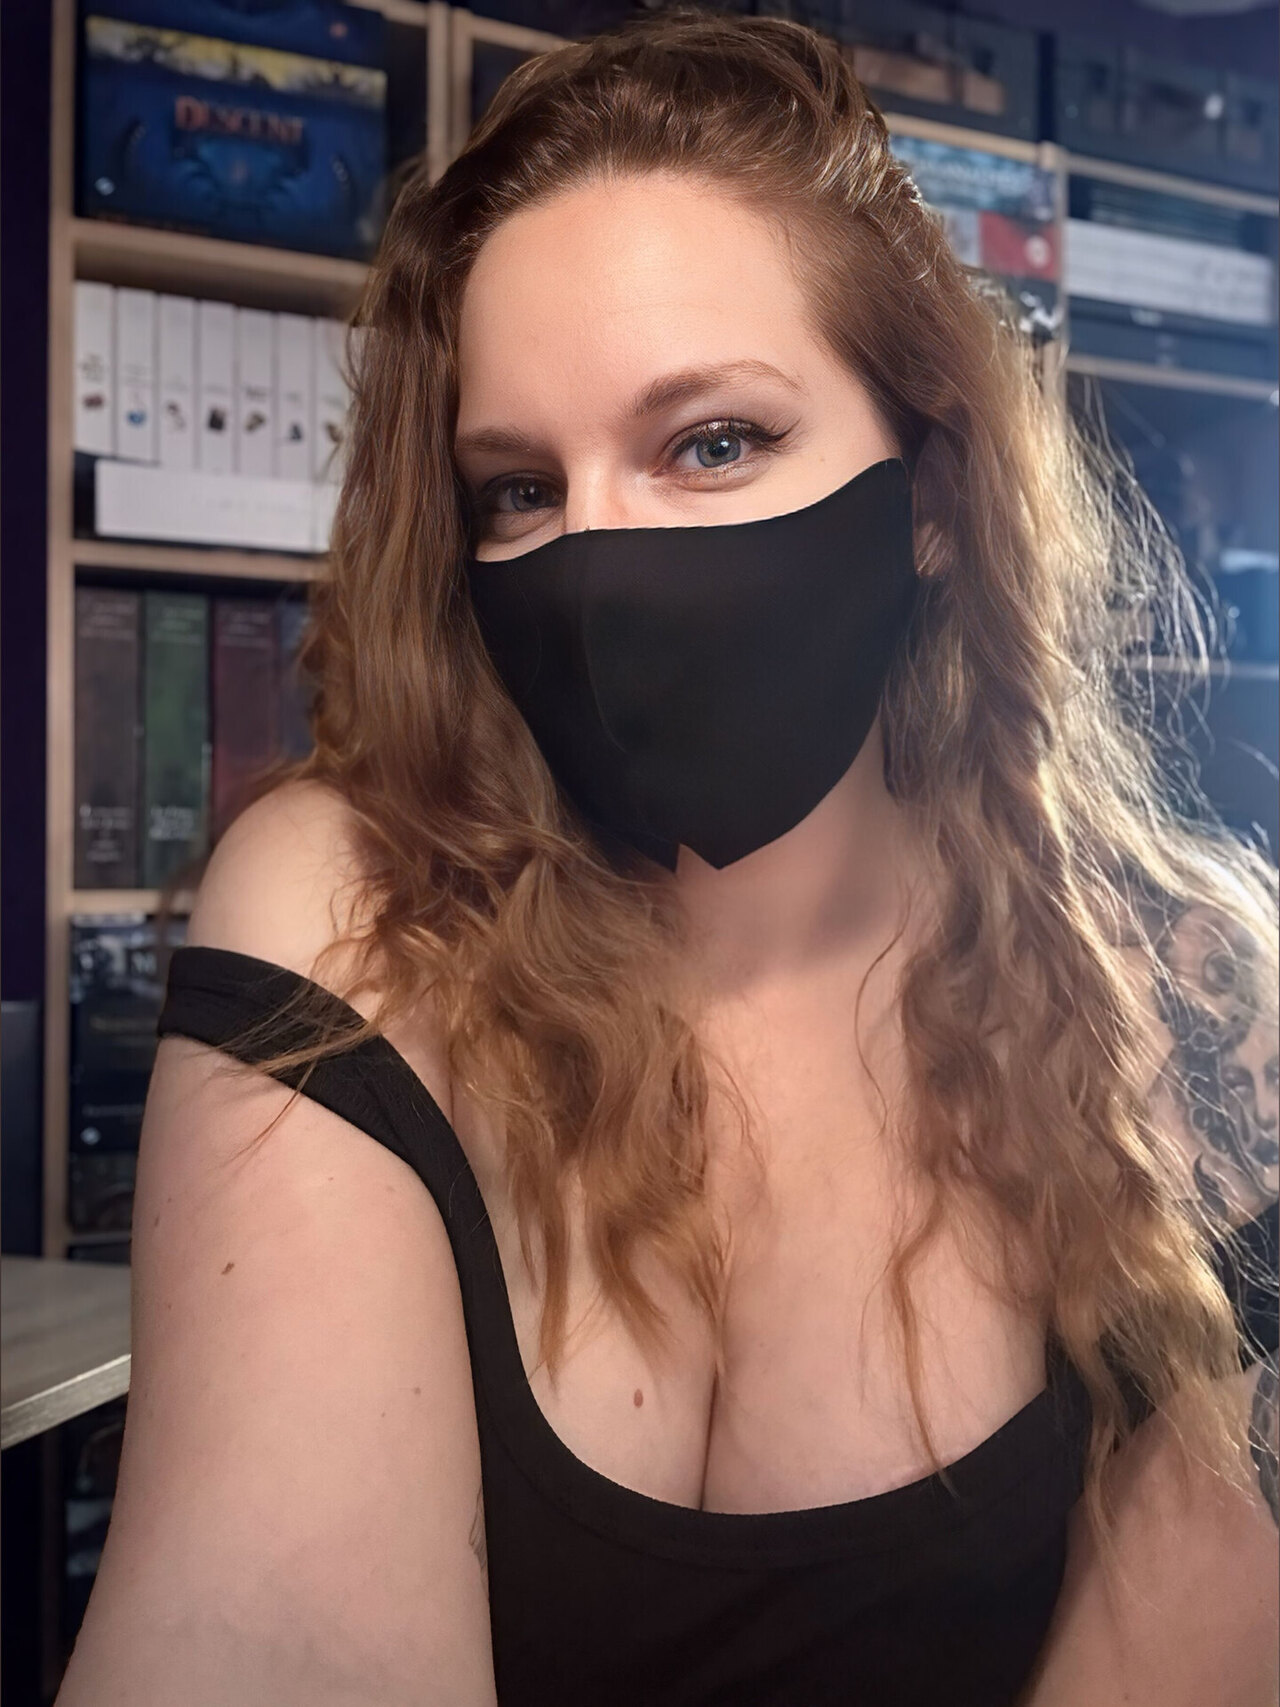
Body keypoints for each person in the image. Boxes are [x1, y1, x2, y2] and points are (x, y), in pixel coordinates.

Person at [55, 10, 1278, 1706]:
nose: (602, 563)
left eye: (711, 444)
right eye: (518, 489)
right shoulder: (361, 914)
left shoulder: (1192, 1008)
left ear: (932, 494)